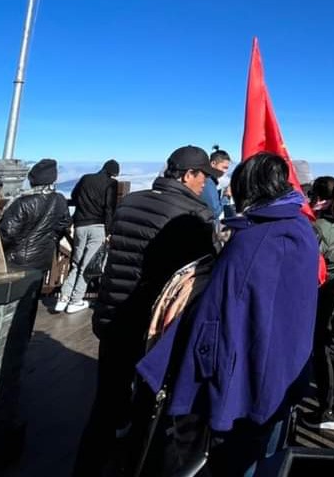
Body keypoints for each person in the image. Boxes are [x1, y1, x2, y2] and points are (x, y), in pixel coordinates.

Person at [135, 152, 320, 476]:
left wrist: (192, 378)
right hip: (282, 374)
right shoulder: (299, 228)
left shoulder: (252, 240)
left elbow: (216, 316)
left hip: (241, 390)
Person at [73, 145, 218, 477]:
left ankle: (84, 467)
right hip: (154, 329)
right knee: (147, 408)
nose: (205, 185)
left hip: (112, 316)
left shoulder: (130, 203)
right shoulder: (194, 216)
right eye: (203, 177)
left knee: (106, 404)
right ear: (187, 175)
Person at [303, 176, 334, 431]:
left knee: (323, 350)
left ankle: (328, 411)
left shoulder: (319, 227)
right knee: (333, 346)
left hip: (325, 297)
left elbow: (309, 264)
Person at [57, 159, 120, 314]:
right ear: (113, 173)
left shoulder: (86, 178)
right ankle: (76, 300)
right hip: (98, 227)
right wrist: (109, 230)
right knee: (88, 266)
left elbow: (74, 194)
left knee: (76, 263)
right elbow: (110, 208)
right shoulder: (111, 184)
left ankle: (63, 297)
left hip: (79, 225)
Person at [0, 158, 71, 272]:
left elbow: (7, 234)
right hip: (44, 258)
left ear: (32, 180)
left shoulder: (22, 203)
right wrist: (50, 239)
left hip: (17, 260)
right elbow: (64, 224)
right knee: (34, 288)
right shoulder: (60, 199)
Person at [200, 146, 232, 230]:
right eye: (223, 167)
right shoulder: (208, 183)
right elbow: (215, 212)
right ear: (213, 164)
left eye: (227, 168)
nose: (225, 171)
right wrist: (226, 196)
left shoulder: (210, 181)